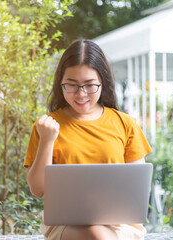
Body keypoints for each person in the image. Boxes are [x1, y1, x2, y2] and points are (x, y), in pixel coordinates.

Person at [23, 39, 152, 240]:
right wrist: (48, 140)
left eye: (90, 85)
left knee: (98, 234)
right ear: (60, 84)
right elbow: (38, 189)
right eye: (71, 86)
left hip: (119, 224)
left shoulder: (124, 123)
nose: (81, 94)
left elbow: (136, 192)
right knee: (95, 235)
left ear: (103, 83)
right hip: (64, 223)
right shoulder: (46, 126)